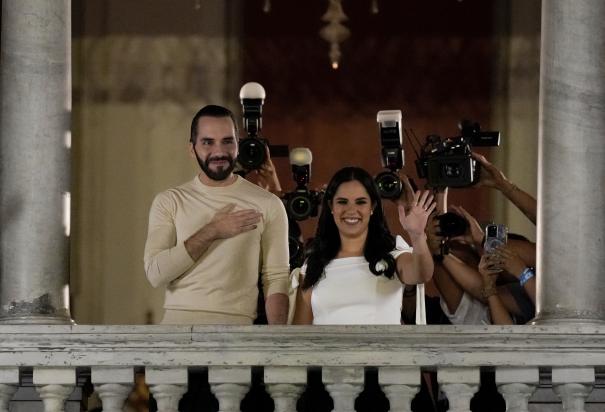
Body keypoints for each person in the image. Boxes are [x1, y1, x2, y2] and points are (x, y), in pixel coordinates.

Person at [143, 104, 289, 325]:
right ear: (192, 149)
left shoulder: (268, 204)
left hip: (238, 333)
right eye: (208, 142)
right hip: (176, 333)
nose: (219, 152)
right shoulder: (170, 201)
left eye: (227, 141)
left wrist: (278, 344)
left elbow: (276, 278)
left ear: (237, 146)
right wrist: (212, 231)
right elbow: (156, 274)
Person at [292, 166, 436, 325]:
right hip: (328, 350)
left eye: (360, 202)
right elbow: (300, 333)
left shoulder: (392, 250)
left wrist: (417, 236)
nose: (351, 210)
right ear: (331, 206)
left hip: (382, 349)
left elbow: (422, 273)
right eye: (342, 202)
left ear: (372, 207)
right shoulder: (314, 263)